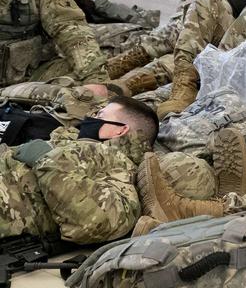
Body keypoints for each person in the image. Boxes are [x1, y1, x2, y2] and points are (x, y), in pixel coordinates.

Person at [0, 96, 158, 245]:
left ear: (120, 130)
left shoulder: (118, 165)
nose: (91, 118)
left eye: (100, 115)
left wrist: (46, 160)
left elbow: (101, 221)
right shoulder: (71, 142)